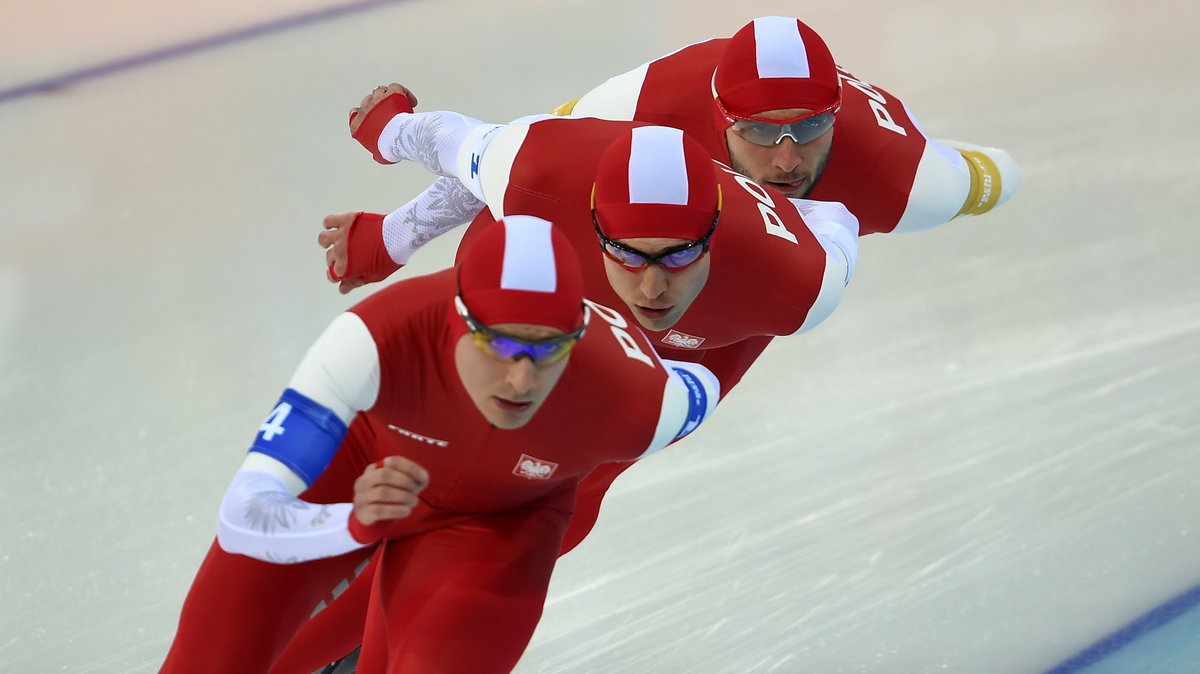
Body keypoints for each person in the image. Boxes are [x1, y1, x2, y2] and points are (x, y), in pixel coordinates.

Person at [160, 216, 719, 673]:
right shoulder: (375, 337)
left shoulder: (635, 399)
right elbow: (245, 514)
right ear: (456, 318)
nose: (522, 379)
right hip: (363, 467)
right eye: (499, 344)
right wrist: (352, 524)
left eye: (550, 349)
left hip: (502, 522)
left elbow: (703, 386)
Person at [324, 93, 859, 557]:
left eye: (677, 255)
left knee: (554, 486)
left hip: (687, 335)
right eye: (626, 252)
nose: (650, 286)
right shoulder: (543, 167)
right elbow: (452, 145)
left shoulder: (796, 284)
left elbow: (837, 221)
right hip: (549, 254)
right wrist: (391, 220)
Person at [325, 15, 1018, 289]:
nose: (786, 162)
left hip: (900, 159)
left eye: (809, 130)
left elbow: (999, 178)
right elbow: (503, 156)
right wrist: (396, 235)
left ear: (835, 117)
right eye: (761, 132)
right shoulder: (652, 101)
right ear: (717, 117)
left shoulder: (910, 184)